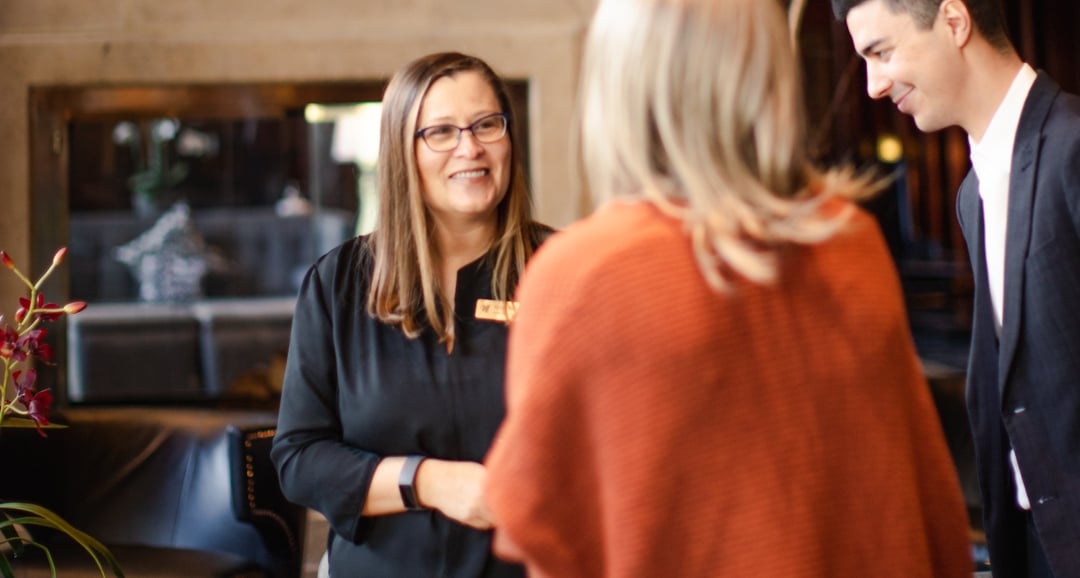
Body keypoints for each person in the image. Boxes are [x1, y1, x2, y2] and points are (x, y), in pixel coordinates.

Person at [482, 0, 972, 576]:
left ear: (618, 81)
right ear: (767, 75)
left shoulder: (581, 278)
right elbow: (928, 518)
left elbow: (553, 547)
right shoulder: (849, 242)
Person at [271, 51, 550, 577]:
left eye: (487, 124)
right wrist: (429, 482)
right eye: (440, 131)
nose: (470, 147)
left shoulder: (562, 272)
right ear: (403, 151)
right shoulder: (338, 282)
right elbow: (299, 460)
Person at [834, 0, 1080, 576]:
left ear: (953, 19)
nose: (872, 86)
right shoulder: (970, 195)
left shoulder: (1073, 149)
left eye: (881, 52)